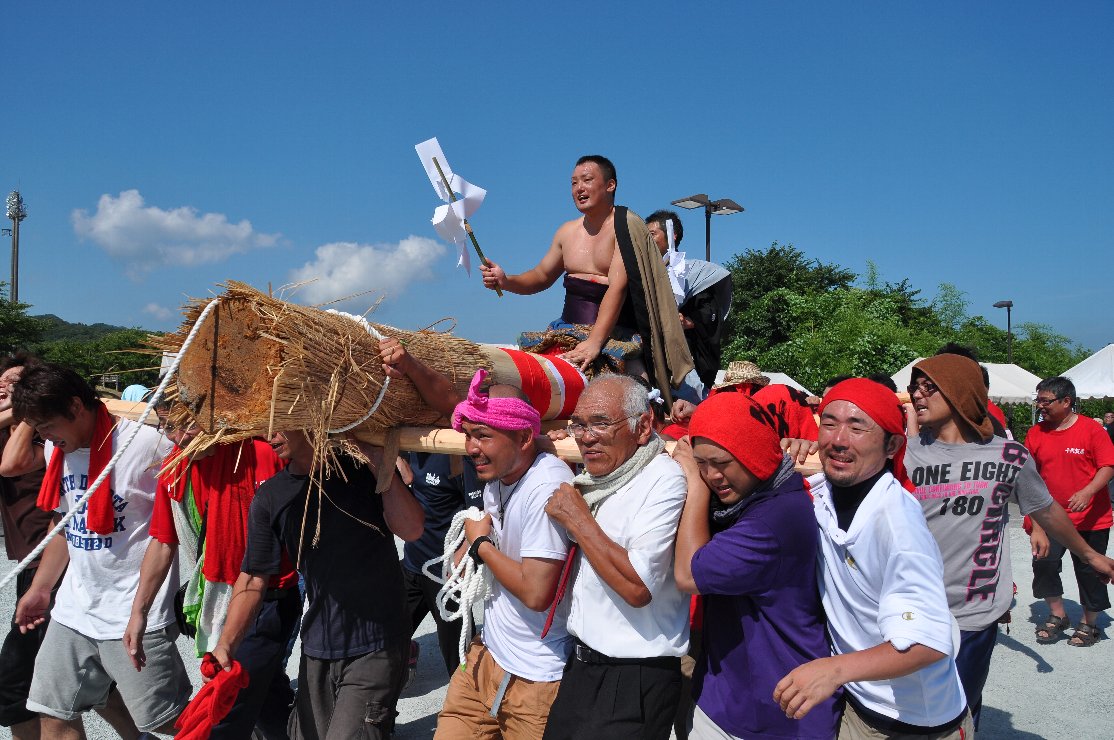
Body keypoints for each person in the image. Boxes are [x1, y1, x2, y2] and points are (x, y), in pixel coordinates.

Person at [904, 354, 1114, 727]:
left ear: (958, 392)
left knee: (959, 712)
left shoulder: (1008, 454)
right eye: (914, 387)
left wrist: (1088, 554)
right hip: (912, 606)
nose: (917, 396)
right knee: (909, 709)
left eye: (928, 387)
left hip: (973, 611)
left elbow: (1046, 508)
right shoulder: (905, 451)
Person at [775, 378, 972, 738]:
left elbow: (928, 643)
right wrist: (794, 448)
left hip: (913, 723)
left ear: (893, 444)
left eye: (857, 427)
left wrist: (832, 670)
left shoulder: (897, 524)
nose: (838, 439)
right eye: (829, 423)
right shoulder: (825, 491)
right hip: (859, 700)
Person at [12, 363, 191, 738]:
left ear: (76, 405)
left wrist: (141, 610)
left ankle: (254, 725)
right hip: (74, 609)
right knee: (54, 713)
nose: (43, 435)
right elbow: (66, 524)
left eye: (47, 424)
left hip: (132, 608)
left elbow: (168, 533)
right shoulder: (57, 449)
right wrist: (42, 588)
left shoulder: (146, 446)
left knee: (168, 721)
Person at [215, 428, 424, 739]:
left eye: (279, 421)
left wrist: (380, 463)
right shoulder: (272, 497)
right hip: (317, 647)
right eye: (264, 424)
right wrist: (226, 644)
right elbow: (254, 576)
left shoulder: (359, 469)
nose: (269, 433)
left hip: (377, 641)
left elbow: (412, 529)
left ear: (307, 414)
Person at [673, 391, 839, 739]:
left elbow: (688, 574)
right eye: (701, 463)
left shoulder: (773, 520)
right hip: (735, 695)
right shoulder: (762, 494)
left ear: (751, 451)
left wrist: (695, 485)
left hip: (770, 713)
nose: (711, 475)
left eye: (721, 462)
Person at [126, 406, 296, 740]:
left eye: (189, 424)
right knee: (268, 703)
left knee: (223, 708)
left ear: (217, 416)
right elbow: (163, 542)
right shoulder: (174, 466)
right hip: (216, 601)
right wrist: (138, 613)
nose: (180, 436)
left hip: (269, 601)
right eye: (169, 426)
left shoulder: (259, 452)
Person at [542, 374, 689, 740]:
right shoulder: (598, 480)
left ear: (643, 428)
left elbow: (637, 588)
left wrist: (578, 520)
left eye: (600, 423)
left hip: (633, 678)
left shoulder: (663, 479)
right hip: (581, 667)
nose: (585, 437)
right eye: (579, 424)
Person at [480, 155, 692, 401]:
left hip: (615, 332)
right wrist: (507, 281)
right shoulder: (566, 231)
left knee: (637, 395)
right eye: (573, 183)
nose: (578, 188)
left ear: (610, 185)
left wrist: (595, 341)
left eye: (587, 180)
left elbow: (617, 288)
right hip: (565, 328)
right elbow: (541, 276)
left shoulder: (626, 226)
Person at [433, 370, 574, 739]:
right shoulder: (500, 475)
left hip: (535, 681)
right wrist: (471, 547)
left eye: (483, 436)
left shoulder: (547, 487)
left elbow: (536, 592)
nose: (470, 448)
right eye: (468, 435)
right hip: (484, 657)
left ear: (525, 436)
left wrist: (480, 546)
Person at [1025, 376, 1114, 647]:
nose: (1040, 405)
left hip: (1092, 518)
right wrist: (1036, 524)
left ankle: (1089, 623)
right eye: (1038, 399)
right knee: (1044, 564)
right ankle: (1058, 614)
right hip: (1050, 517)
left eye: (1046, 400)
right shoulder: (1036, 433)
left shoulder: (1091, 430)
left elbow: (1108, 466)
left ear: (1066, 401)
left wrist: (1088, 491)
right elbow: (1029, 476)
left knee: (1089, 569)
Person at [0, 354, 54, 740]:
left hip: (52, 556)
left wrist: (25, 413)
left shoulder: (46, 435)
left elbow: (12, 466)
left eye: (14, 383)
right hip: (32, 562)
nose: (3, 388)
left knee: (17, 680)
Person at [401, 451, 483, 677]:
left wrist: (464, 556)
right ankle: (407, 652)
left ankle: (472, 708)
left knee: (461, 664)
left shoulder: (455, 455)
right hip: (412, 563)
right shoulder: (408, 444)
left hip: (446, 576)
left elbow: (480, 512)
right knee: (381, 637)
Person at [645, 210, 732, 397]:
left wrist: (689, 322)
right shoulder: (645, 273)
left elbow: (711, 311)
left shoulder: (693, 271)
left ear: (672, 235)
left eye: (652, 234)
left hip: (686, 352)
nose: (648, 240)